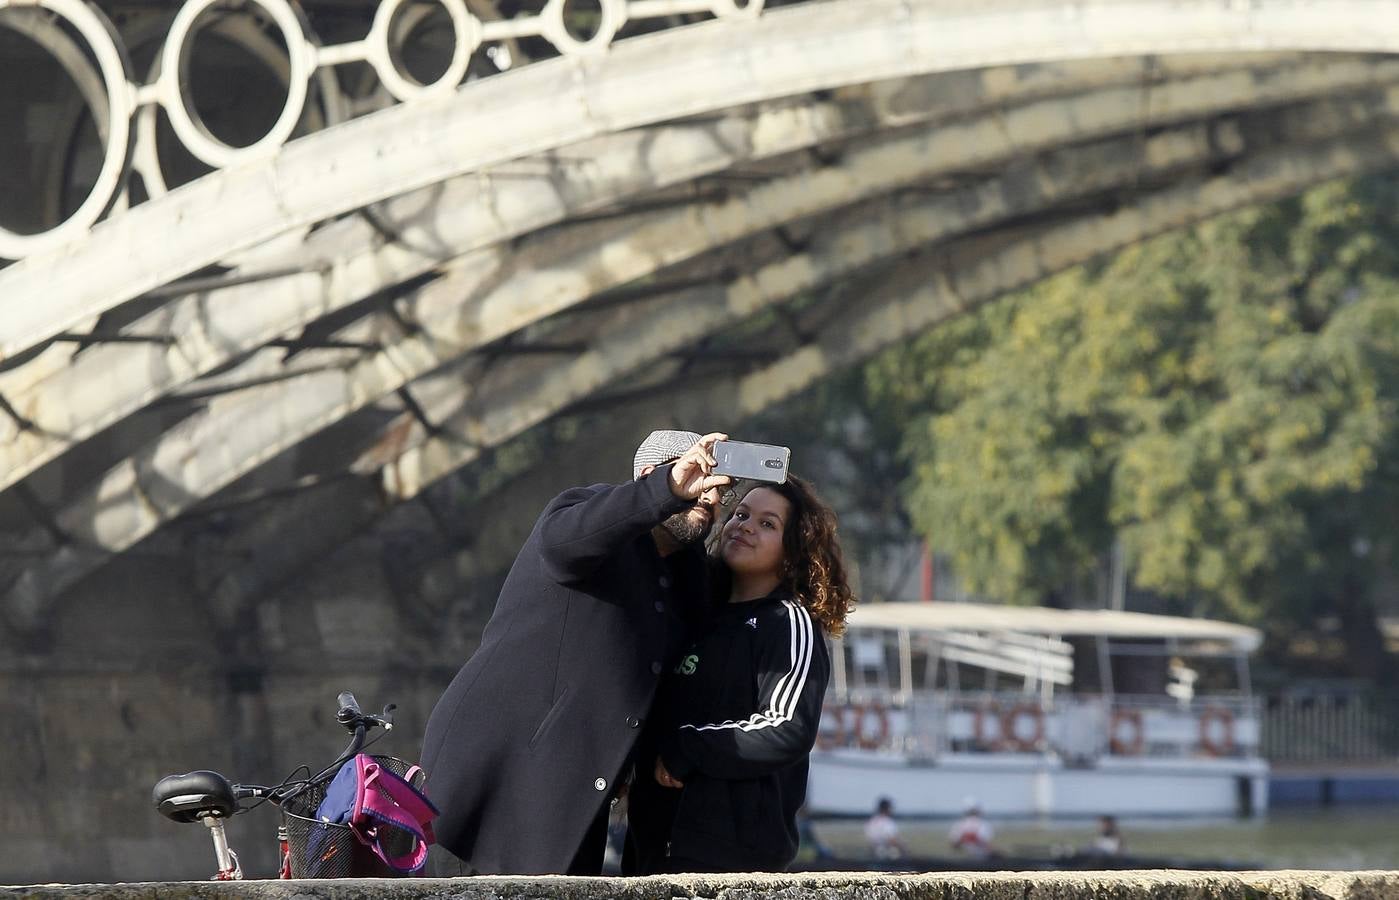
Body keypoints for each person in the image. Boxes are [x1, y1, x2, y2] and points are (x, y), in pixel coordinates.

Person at [419, 430, 733, 875]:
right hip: (499, 779)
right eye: (698, 476)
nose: (707, 496)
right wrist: (667, 491)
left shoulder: (687, 575)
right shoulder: (590, 513)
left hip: (579, 795)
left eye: (718, 489)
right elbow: (561, 544)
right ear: (648, 475)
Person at [626, 475, 855, 874]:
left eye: (768, 524)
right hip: (652, 844)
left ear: (792, 552)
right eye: (741, 514)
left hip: (731, 856)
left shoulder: (788, 622)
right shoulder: (695, 613)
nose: (745, 526)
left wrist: (686, 750)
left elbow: (786, 728)